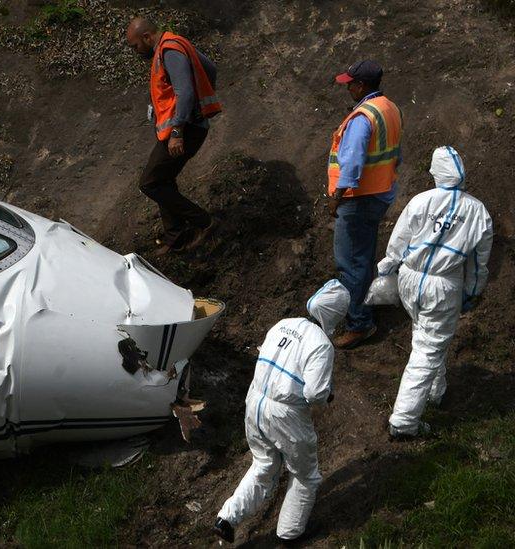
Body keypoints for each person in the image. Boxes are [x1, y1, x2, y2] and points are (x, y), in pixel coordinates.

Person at [213, 280, 350, 543]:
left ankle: (227, 518)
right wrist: (327, 393)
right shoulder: (321, 344)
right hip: (285, 414)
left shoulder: (283, 324)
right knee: (305, 475)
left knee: (263, 464)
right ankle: (290, 532)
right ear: (336, 315)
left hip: (255, 402)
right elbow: (315, 394)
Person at [375, 146, 493, 439]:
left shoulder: (420, 201)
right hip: (442, 286)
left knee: (425, 333)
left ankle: (434, 393)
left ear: (435, 173)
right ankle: (403, 422)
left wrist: (387, 269)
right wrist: (472, 292)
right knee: (428, 350)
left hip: (410, 280)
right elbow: (479, 263)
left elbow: (398, 242)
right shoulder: (478, 212)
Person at [125, 17, 220, 256]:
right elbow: (210, 68)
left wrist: (178, 129)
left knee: (150, 183)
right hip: (184, 127)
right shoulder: (174, 45)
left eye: (136, 46)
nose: (136, 52)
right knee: (162, 179)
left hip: (185, 130)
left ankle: (203, 222)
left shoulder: (169, 50)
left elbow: (185, 91)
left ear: (147, 37)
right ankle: (175, 238)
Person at [327, 60, 403, 349]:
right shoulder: (390, 108)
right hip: (380, 194)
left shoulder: (362, 117)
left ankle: (359, 323)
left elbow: (353, 165)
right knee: (363, 256)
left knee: (350, 264)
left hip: (356, 200)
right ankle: (365, 307)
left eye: (350, 83)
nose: (347, 88)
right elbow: (397, 154)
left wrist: (336, 199)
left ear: (361, 85)